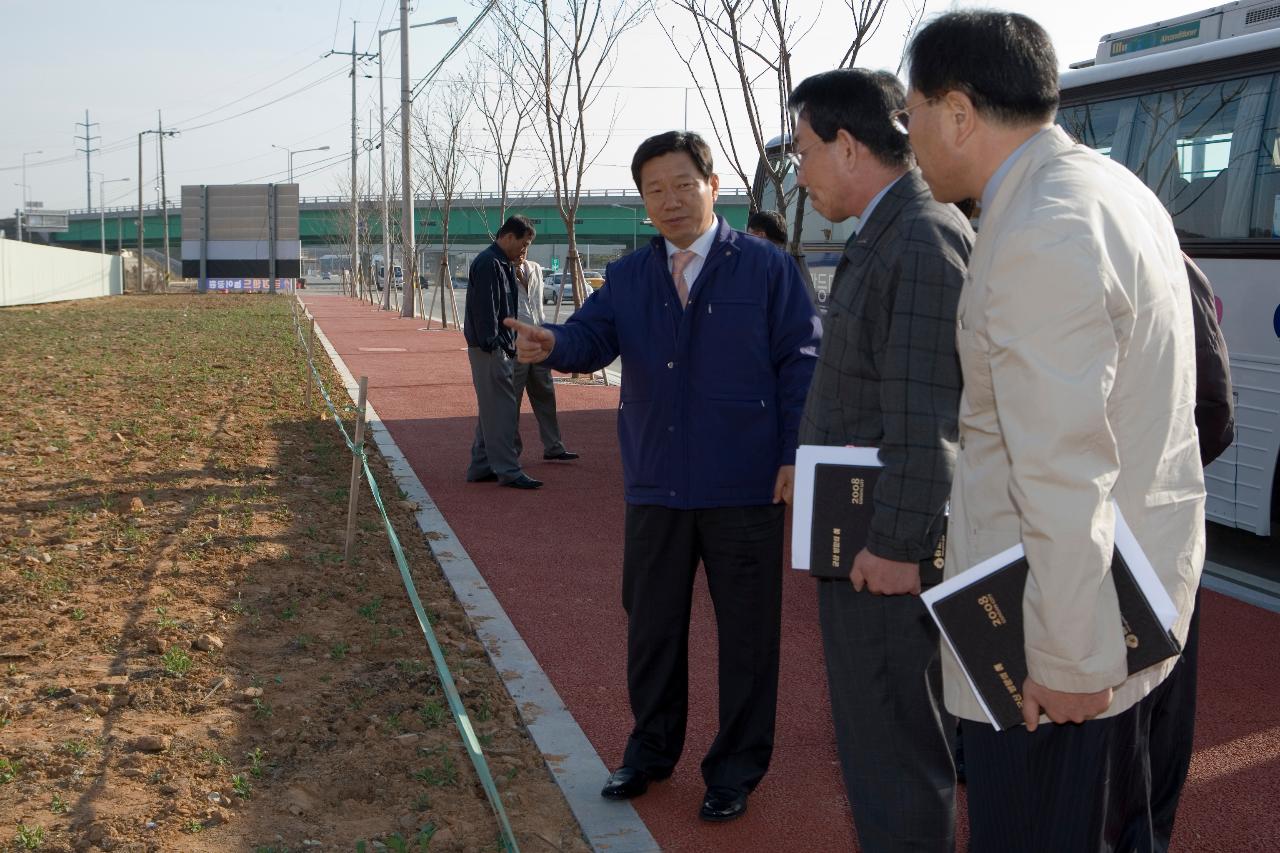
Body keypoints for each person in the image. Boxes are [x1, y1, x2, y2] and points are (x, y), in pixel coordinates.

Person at [903, 11, 1206, 852]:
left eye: (912, 111)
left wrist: (1070, 661)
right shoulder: (1108, 189)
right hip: (1126, 596)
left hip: (1060, 637)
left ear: (958, 111)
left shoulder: (1042, 227)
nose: (910, 134)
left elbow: (1063, 469)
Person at [504, 130, 819, 823]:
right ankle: (648, 751)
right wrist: (553, 341)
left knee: (747, 636)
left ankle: (734, 769)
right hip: (657, 483)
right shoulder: (629, 277)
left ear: (712, 184)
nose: (669, 201)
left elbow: (801, 363)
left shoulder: (768, 268)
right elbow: (590, 337)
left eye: (682, 184)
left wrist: (797, 453)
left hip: (746, 485)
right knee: (651, 628)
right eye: (654, 190)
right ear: (644, 202)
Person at [789, 67, 973, 852]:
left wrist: (896, 546)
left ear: (848, 144)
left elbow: (929, 417)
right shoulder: (887, 232)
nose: (797, 171)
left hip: (886, 552)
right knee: (875, 736)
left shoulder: (923, 238)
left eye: (803, 150)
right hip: (862, 537)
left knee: (896, 741)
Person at [463, 215, 542, 490]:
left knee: (492, 410)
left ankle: (481, 465)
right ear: (508, 237)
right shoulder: (489, 263)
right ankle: (508, 469)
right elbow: (487, 310)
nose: (524, 250)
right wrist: (495, 344)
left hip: (496, 347)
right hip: (490, 349)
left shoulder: (500, 262)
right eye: (523, 243)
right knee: (502, 411)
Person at [511, 255, 579, 463]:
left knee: (546, 394)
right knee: (512, 398)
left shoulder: (535, 268)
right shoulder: (501, 270)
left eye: (527, 245)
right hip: (515, 343)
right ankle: (511, 451)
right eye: (521, 243)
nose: (523, 250)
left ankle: (554, 446)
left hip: (538, 340)